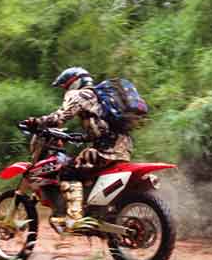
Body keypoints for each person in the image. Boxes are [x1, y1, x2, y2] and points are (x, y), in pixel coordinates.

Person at [24, 67, 133, 232]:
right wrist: (79, 137)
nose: (65, 91)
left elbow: (60, 117)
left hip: (106, 149)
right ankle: (95, 211)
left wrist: (37, 122)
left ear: (73, 83)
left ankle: (75, 217)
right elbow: (101, 128)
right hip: (124, 148)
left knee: (67, 170)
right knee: (86, 171)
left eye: (65, 87)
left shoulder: (81, 95)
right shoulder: (99, 98)